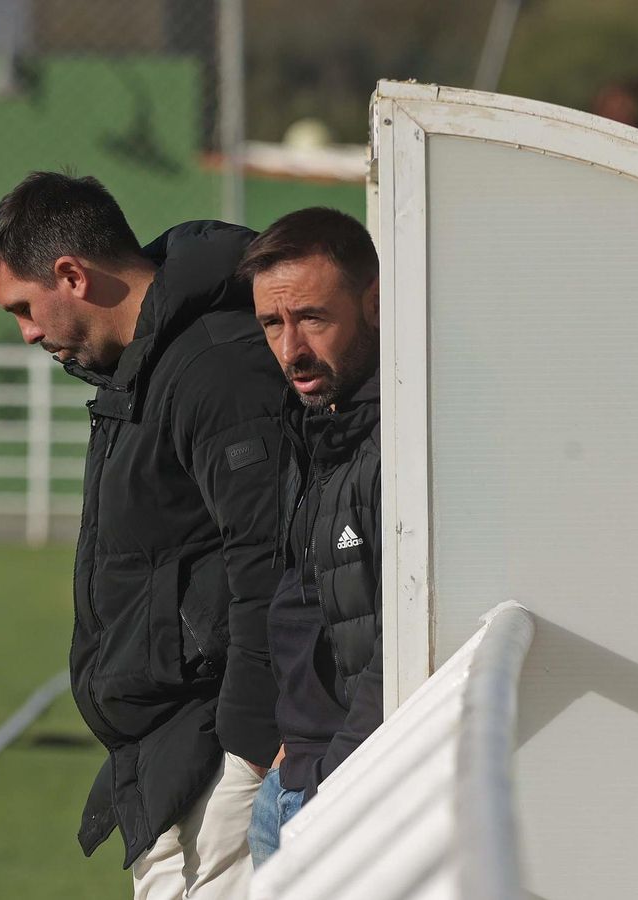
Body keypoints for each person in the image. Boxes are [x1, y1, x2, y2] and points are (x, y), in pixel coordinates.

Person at [0, 172, 283, 898]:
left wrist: (251, 741)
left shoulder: (213, 365)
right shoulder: (143, 370)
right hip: (177, 748)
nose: (27, 333)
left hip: (221, 748)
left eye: (24, 307)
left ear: (72, 274)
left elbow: (270, 558)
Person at [234, 207, 382, 865]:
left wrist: (336, 778)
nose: (291, 349)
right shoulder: (322, 426)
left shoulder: (405, 440)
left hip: (344, 799)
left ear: (374, 303)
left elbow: (405, 638)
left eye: (313, 319)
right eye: (273, 324)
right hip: (294, 785)